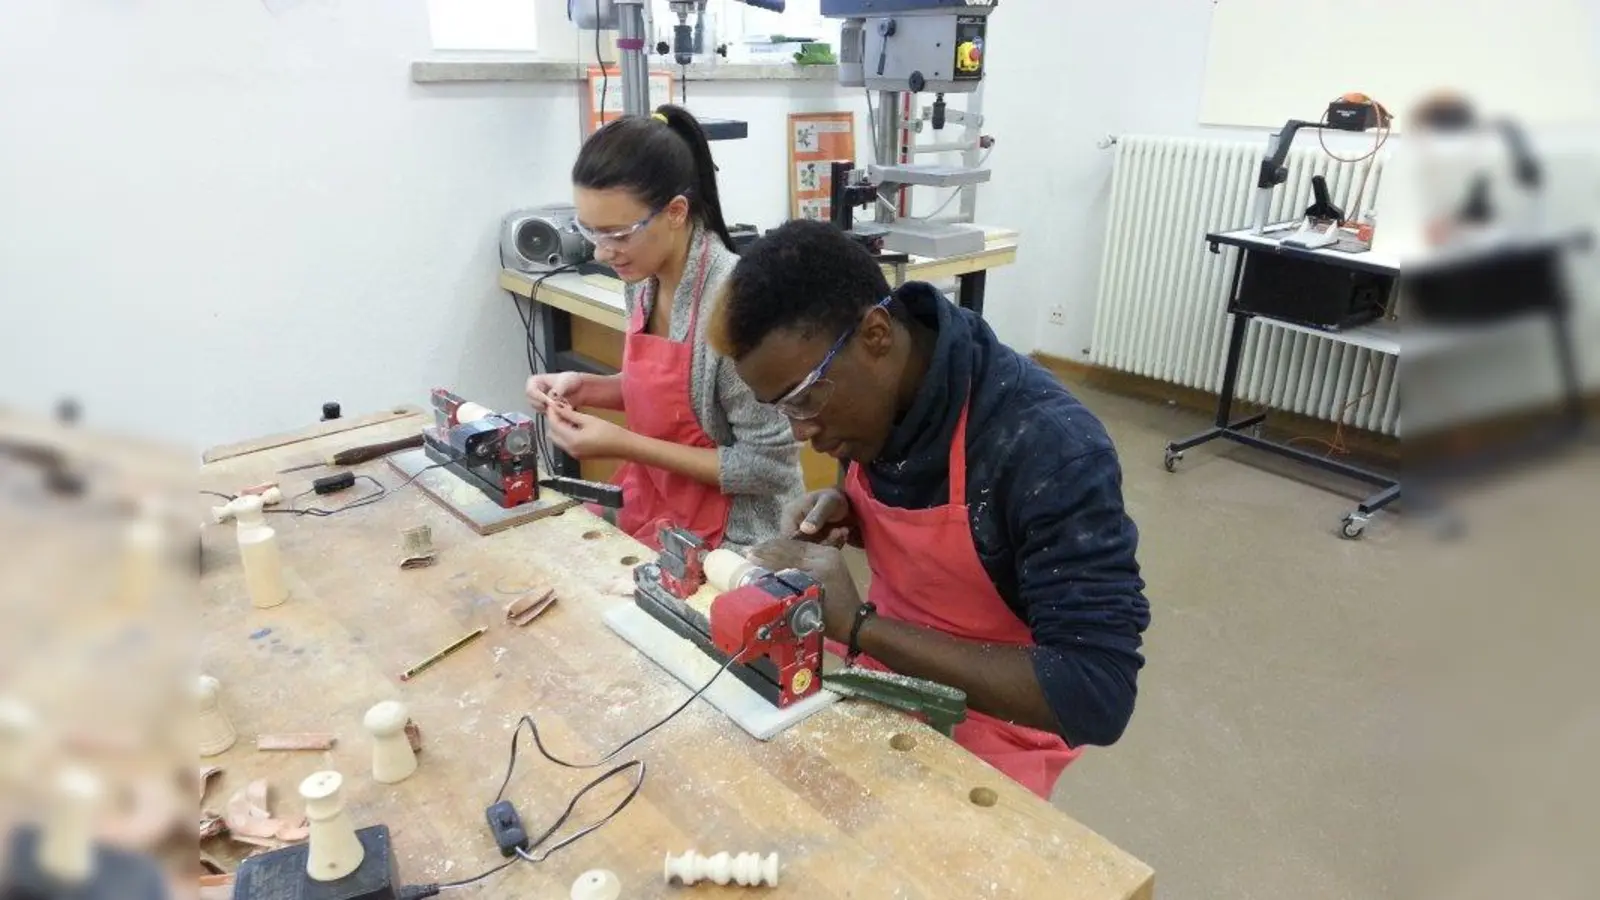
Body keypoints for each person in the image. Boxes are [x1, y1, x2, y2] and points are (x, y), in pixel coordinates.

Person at [707, 219, 1150, 798]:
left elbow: (1096, 693)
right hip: (885, 689)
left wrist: (860, 626)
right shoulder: (878, 397)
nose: (802, 431)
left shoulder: (1049, 447)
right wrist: (852, 514)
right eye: (780, 409)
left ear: (875, 335)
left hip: (999, 733)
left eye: (805, 397)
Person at [525, 106, 802, 551]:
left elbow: (769, 467)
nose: (602, 252)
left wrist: (626, 445)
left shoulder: (735, 303)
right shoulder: (643, 280)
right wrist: (585, 388)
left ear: (675, 212)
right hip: (659, 500)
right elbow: (680, 396)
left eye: (617, 233)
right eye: (590, 232)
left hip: (738, 532)